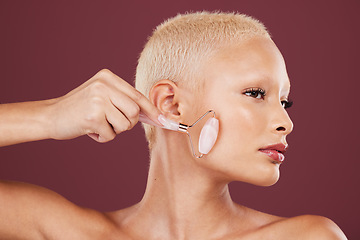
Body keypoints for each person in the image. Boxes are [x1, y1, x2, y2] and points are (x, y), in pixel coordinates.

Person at [0, 11, 347, 239]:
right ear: (171, 104)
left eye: (284, 102)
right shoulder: (69, 232)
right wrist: (48, 116)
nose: (285, 121)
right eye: (256, 93)